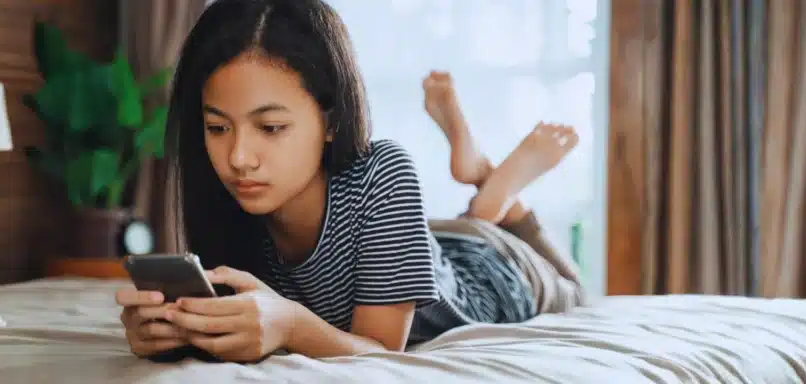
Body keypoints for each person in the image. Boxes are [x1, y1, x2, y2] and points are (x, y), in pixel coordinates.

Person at [115, 0, 581, 363]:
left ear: (332, 120)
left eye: (271, 128)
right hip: (429, 242)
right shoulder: (232, 200)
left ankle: (500, 193)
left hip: (494, 270)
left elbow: (382, 351)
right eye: (217, 128)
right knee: (462, 229)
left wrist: (293, 326)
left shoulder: (384, 171)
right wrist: (172, 331)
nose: (238, 158)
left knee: (573, 288)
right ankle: (484, 184)